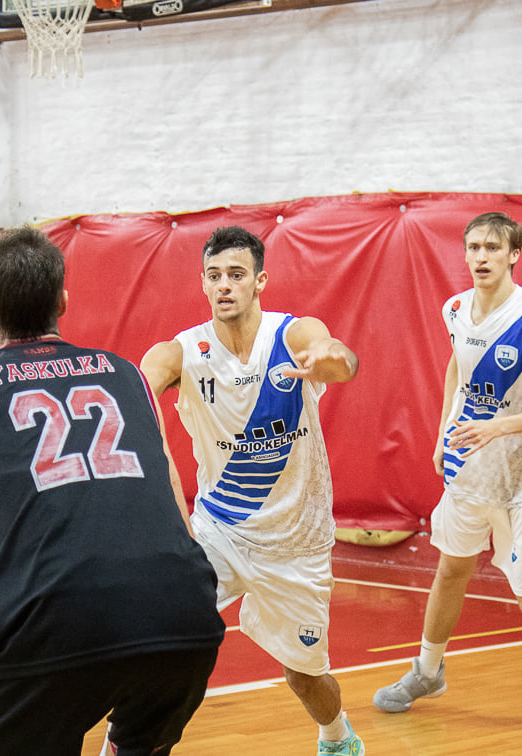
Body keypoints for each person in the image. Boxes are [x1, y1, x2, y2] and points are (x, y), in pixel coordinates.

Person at [0, 226, 225, 756]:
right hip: (185, 618)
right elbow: (177, 512)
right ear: (62, 300)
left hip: (55, 628)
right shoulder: (130, 378)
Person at [140, 225, 364, 756]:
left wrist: (330, 359)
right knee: (160, 636)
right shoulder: (183, 352)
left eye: (236, 275)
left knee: (304, 677)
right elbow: (140, 379)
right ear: (203, 284)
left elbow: (340, 359)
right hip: (220, 532)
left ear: (260, 280)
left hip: (299, 544)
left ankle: (339, 738)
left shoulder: (292, 335)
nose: (225, 286)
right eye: (214, 277)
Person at [372, 211, 522, 728]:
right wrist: (443, 431)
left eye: (492, 248)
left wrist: (501, 426)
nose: (480, 257)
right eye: (473, 247)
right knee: (451, 569)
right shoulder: (455, 309)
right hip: (471, 467)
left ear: (513, 254)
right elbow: (457, 364)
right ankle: (427, 670)